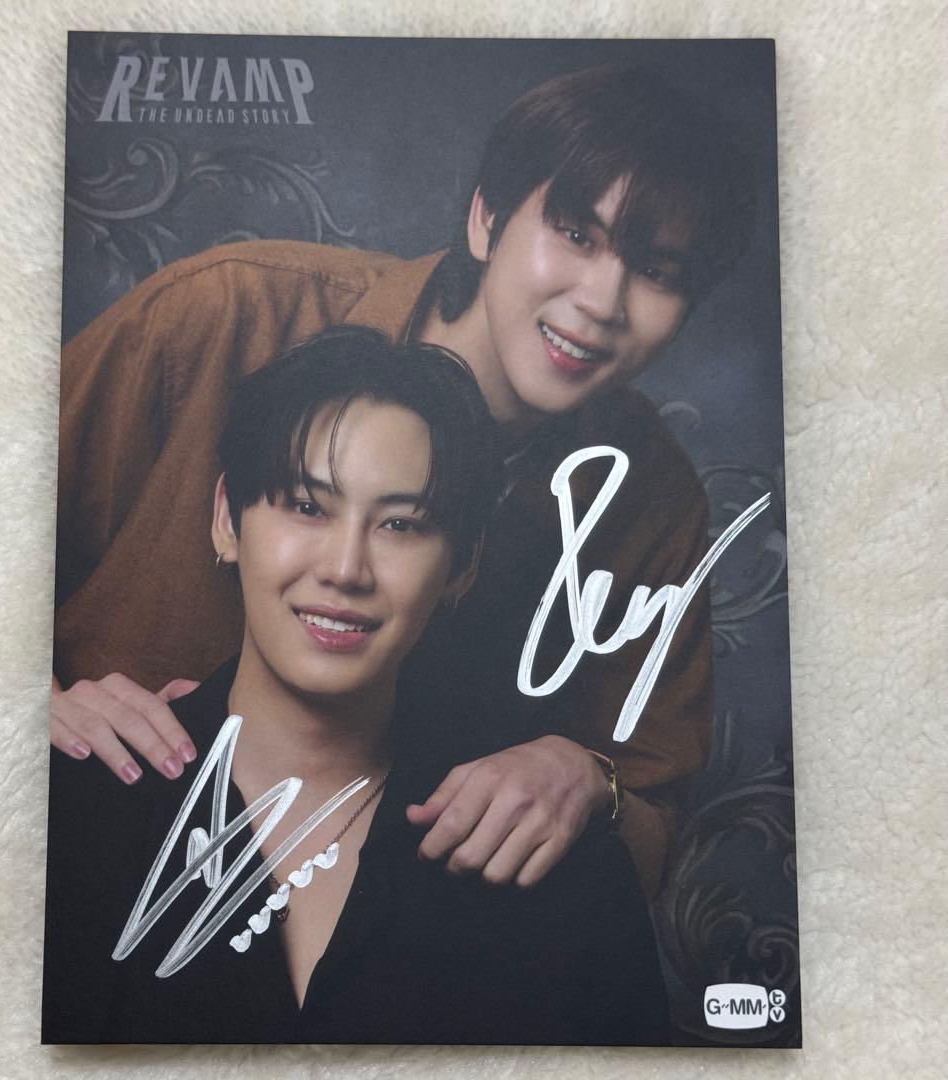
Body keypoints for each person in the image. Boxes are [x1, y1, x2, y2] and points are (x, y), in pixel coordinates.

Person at [50, 65, 756, 897]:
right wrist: (32, 703)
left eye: (659, 272)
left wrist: (588, 782)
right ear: (487, 218)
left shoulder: (647, 495)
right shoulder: (225, 313)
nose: (603, 301)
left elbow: (651, 836)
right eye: (576, 233)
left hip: (392, 938)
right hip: (98, 875)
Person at [42, 329, 670, 1045]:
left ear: (462, 566)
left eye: (402, 524)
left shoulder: (548, 851)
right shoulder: (73, 800)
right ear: (226, 519)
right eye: (307, 507)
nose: (345, 569)